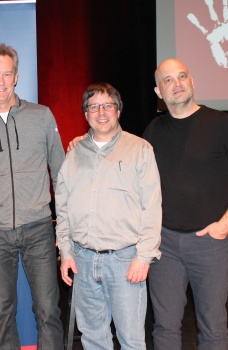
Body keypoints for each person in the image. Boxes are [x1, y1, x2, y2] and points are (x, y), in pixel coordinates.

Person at [143, 58, 228, 349]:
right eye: (168, 80)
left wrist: (225, 224)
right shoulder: (153, 131)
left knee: (213, 328)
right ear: (159, 92)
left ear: (192, 81)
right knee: (165, 328)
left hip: (210, 244)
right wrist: (85, 141)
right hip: (165, 246)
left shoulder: (223, 124)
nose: (177, 84)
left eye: (182, 76)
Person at [0, 43, 65, 349]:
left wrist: (66, 227)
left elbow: (60, 173)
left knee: (48, 310)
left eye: (7, 74)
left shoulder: (42, 116)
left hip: (38, 228)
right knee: (2, 313)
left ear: (17, 76)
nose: (1, 81)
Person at [56, 83, 162, 349]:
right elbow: (63, 207)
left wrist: (144, 256)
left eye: (108, 105)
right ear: (85, 113)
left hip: (125, 261)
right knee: (93, 338)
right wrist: (66, 253)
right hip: (82, 258)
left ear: (118, 110)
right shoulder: (74, 154)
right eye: (94, 107)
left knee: (131, 340)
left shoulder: (140, 150)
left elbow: (152, 207)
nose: (101, 112)